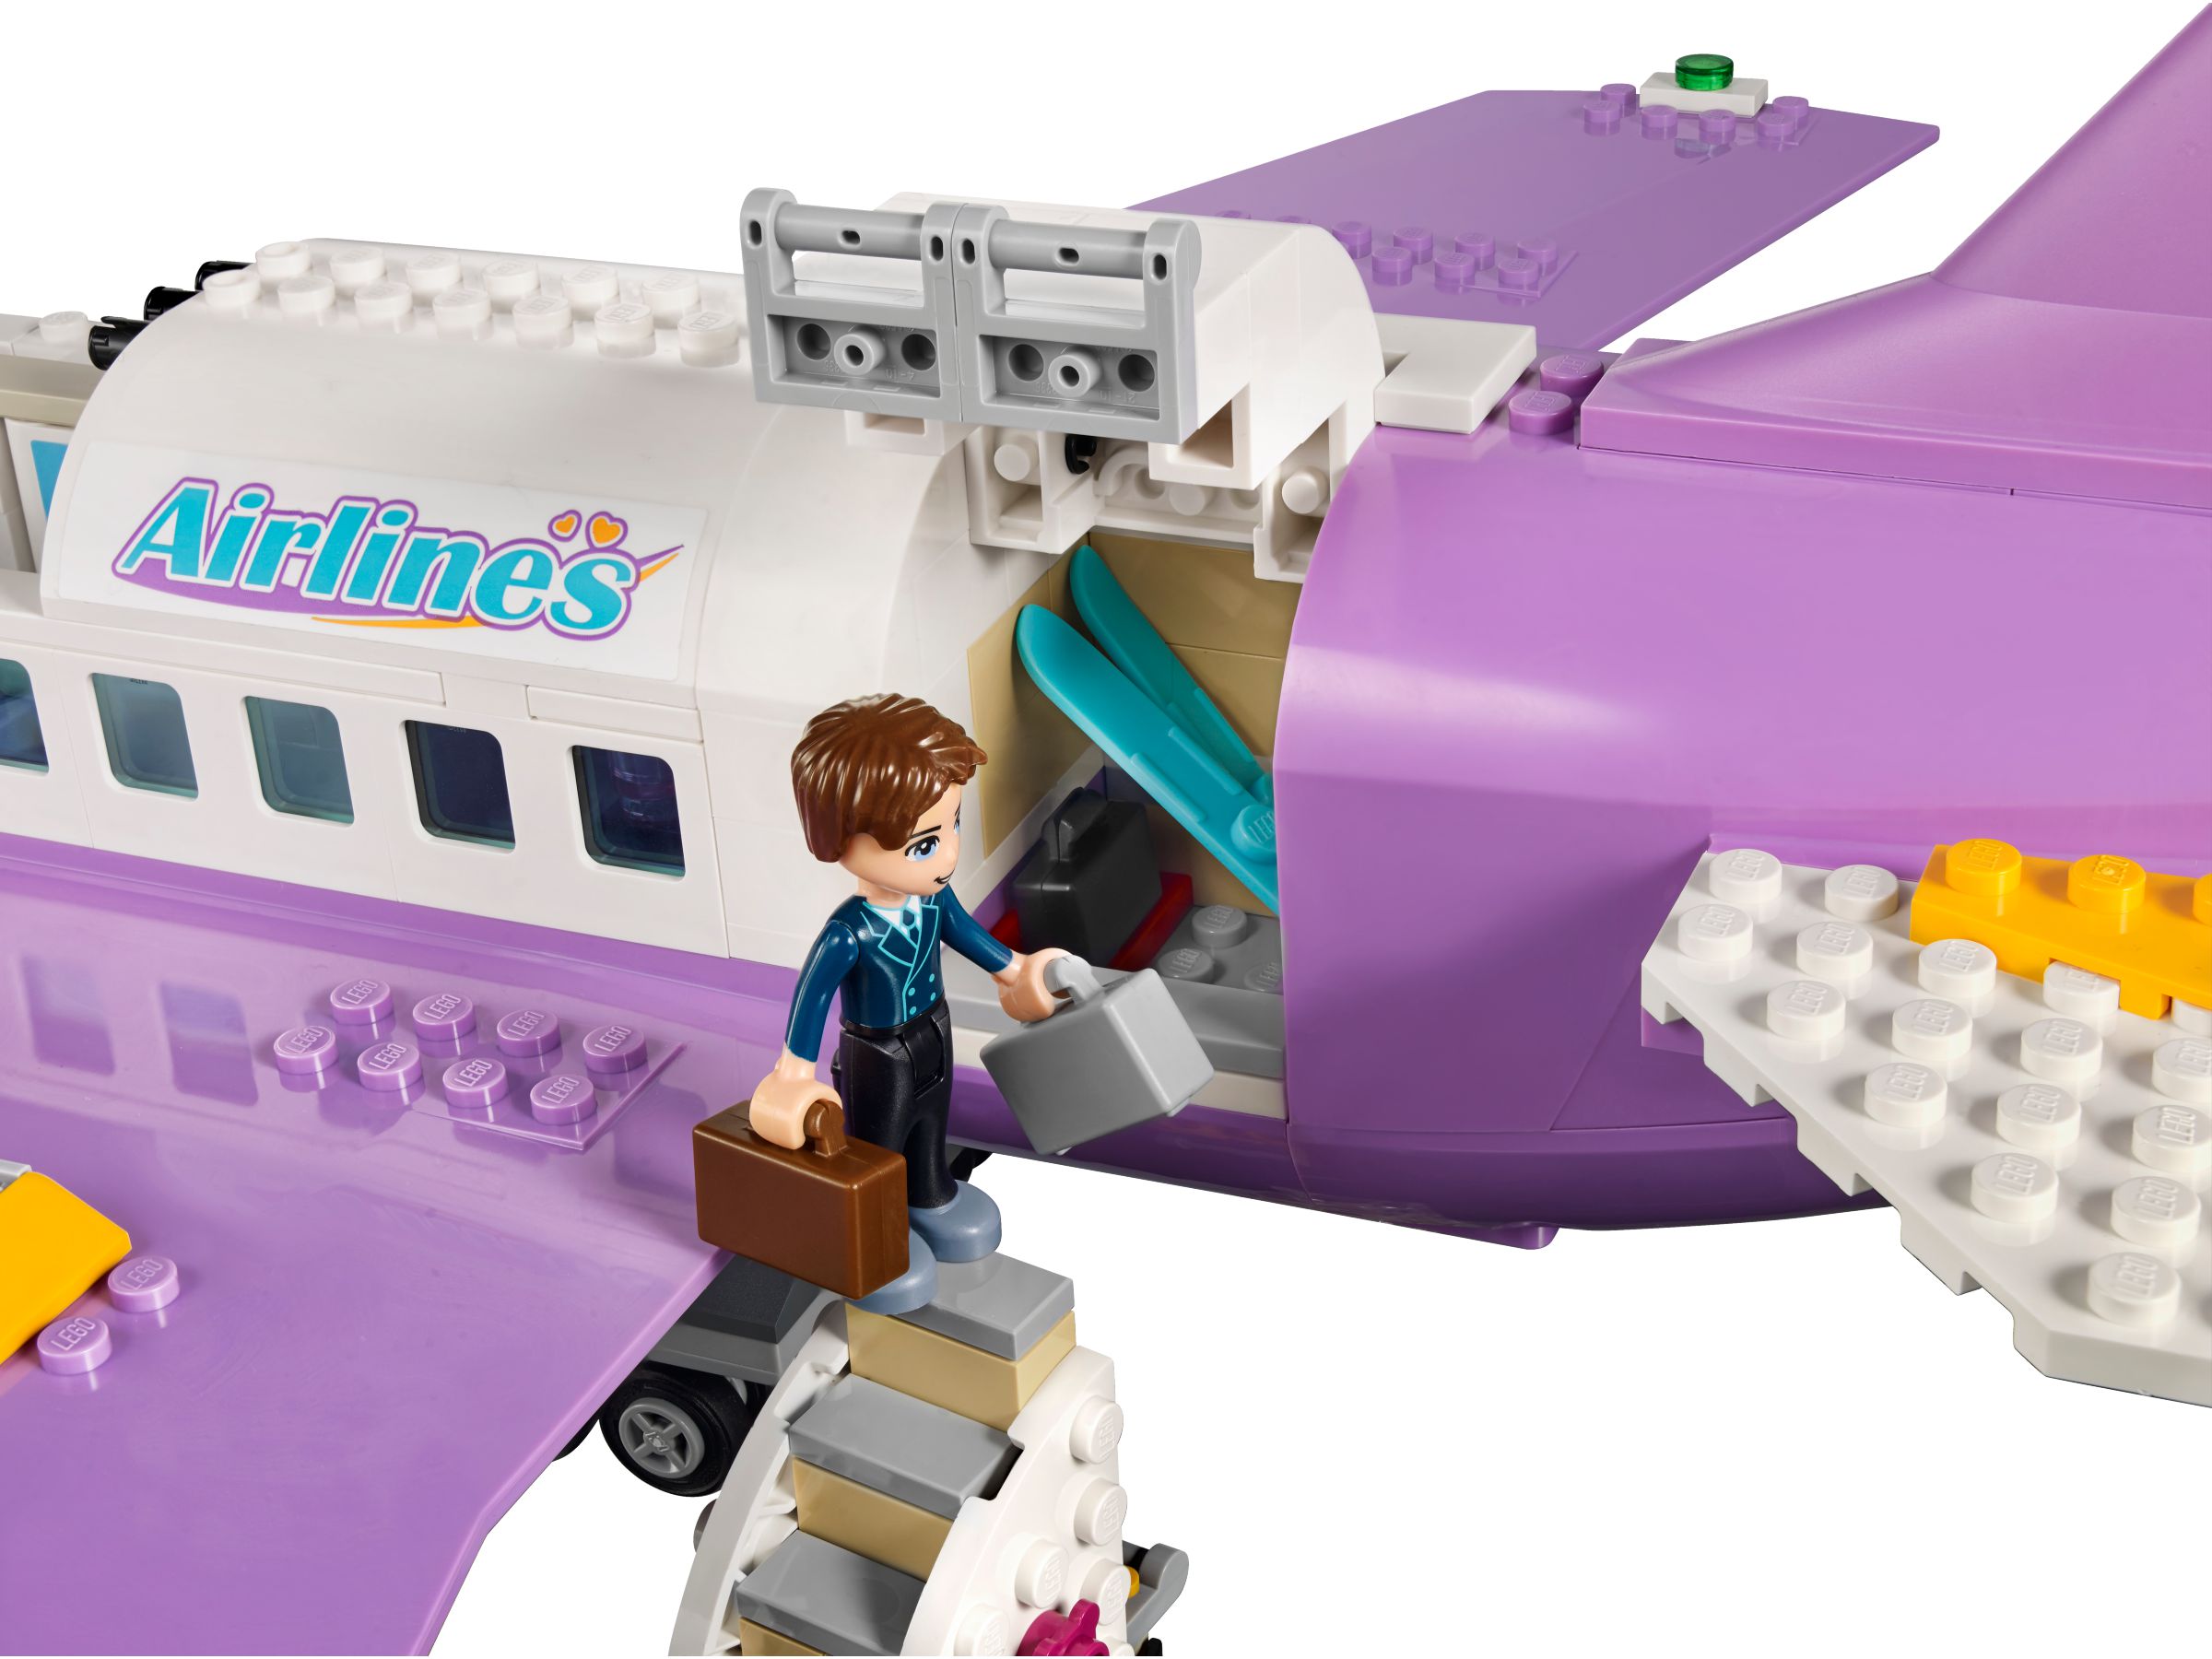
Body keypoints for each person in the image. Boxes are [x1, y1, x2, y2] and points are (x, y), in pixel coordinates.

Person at [747, 693, 1067, 1312]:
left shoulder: (932, 900)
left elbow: (969, 936)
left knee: (931, 1126)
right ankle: (878, 1231)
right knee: (878, 1147)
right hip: (879, 1054)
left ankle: (932, 1194)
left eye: (952, 826)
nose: (949, 855)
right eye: (924, 844)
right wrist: (793, 1073)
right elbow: (811, 998)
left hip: (934, 1032)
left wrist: (1016, 970)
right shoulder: (849, 932)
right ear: (839, 842)